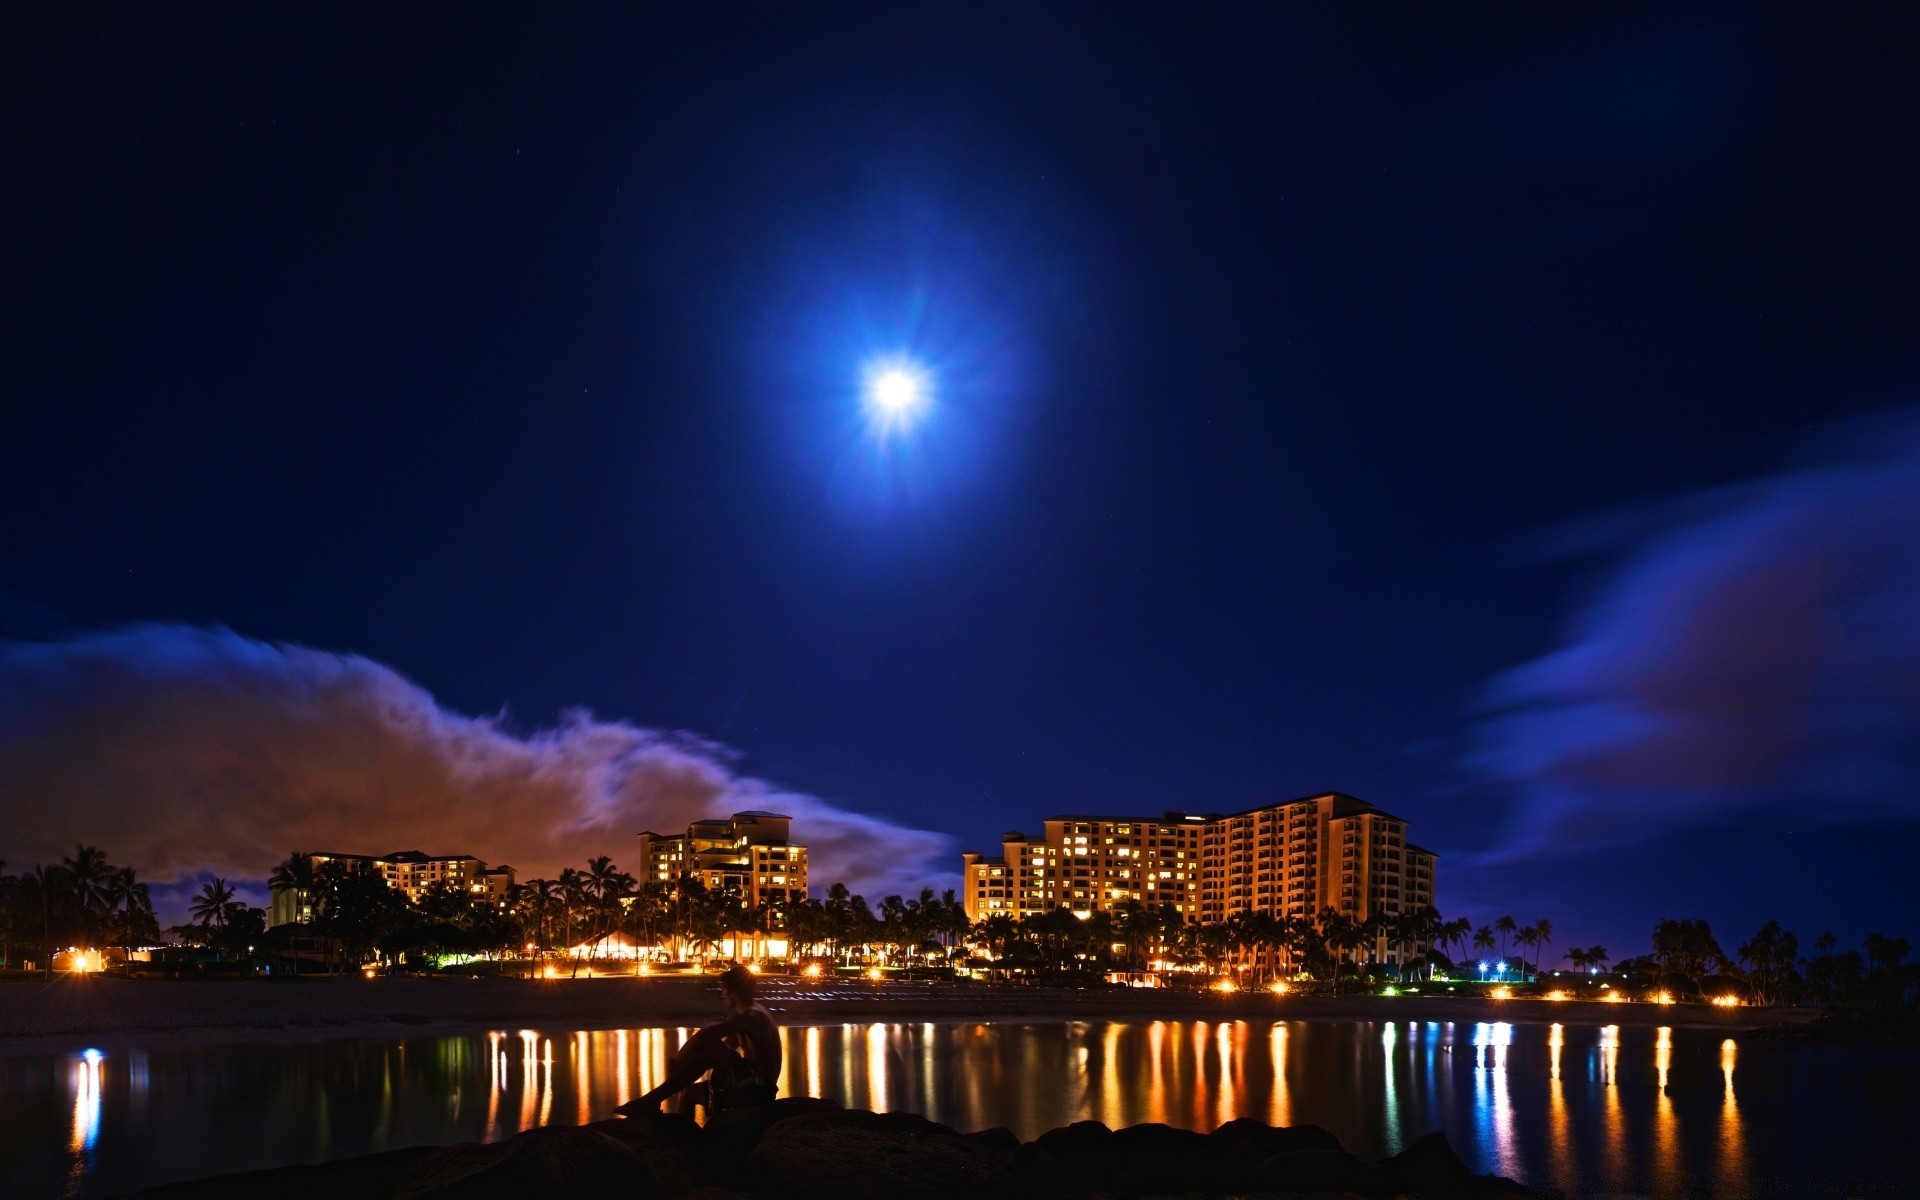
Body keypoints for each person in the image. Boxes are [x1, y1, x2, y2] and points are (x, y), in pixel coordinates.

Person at [617, 963, 781, 1115]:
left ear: (732, 991)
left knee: (713, 1048)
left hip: (758, 1090)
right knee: (689, 1093)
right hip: (750, 1083)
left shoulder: (751, 1018)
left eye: (723, 989)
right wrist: (688, 1070)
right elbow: (725, 1050)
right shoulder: (750, 1016)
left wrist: (678, 1061)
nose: (722, 994)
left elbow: (705, 1037)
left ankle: (652, 1099)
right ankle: (683, 1136)